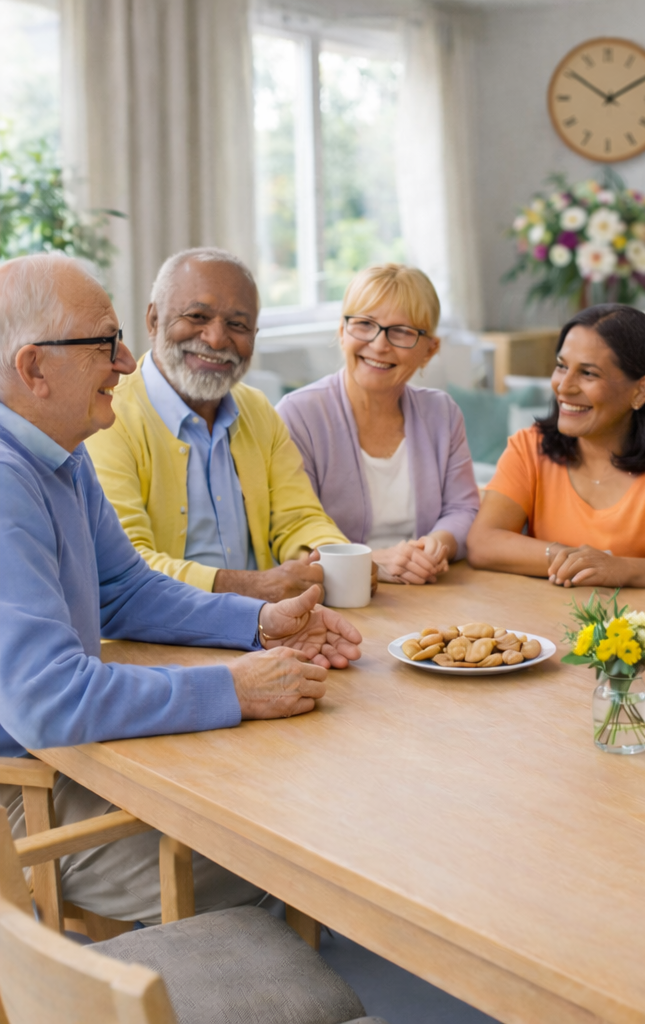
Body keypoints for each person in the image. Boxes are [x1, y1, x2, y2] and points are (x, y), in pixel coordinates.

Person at [0, 252, 362, 924]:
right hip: (19, 796)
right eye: (104, 343)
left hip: (54, 764)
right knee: (267, 851)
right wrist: (235, 688)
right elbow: (47, 702)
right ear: (32, 368)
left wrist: (259, 622)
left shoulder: (60, 455)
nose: (127, 362)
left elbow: (128, 591)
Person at [85, 247, 347, 602]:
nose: (217, 339)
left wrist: (328, 558)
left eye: (237, 325)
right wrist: (248, 586)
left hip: (265, 627)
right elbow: (124, 566)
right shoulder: (107, 415)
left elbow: (299, 517)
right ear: (153, 320)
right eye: (197, 316)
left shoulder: (257, 409)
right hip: (160, 639)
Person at [467, 304, 645, 588]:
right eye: (562, 366)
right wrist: (569, 558)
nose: (564, 386)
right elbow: (482, 543)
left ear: (641, 390)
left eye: (588, 373)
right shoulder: (529, 446)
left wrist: (616, 568)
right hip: (538, 624)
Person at [277, 265, 478, 585]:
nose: (380, 344)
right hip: (337, 602)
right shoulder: (298, 415)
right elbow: (294, 533)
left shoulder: (442, 413)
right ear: (342, 332)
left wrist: (437, 545)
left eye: (401, 331)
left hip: (430, 591)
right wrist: (369, 562)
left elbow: (464, 509)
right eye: (364, 324)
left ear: (430, 350)